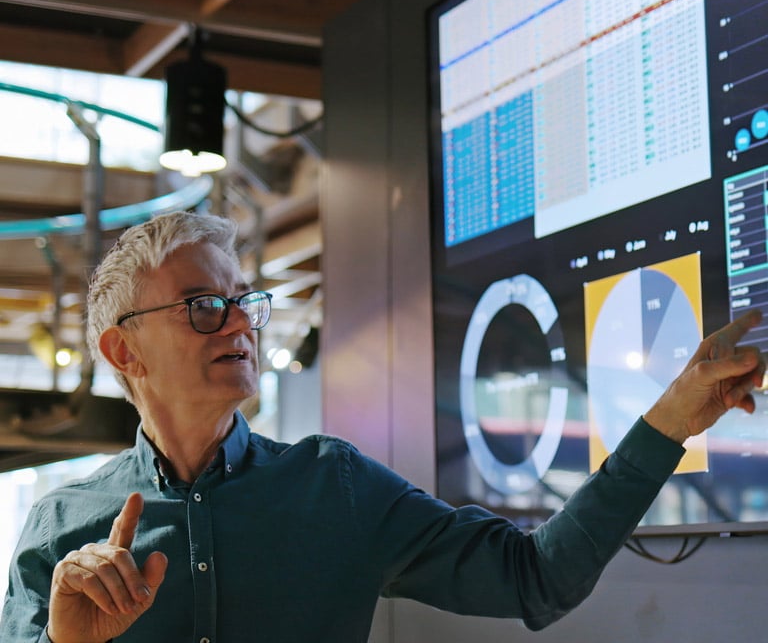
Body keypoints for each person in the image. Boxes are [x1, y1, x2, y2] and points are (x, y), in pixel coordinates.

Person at [0, 210, 764, 643]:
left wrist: (670, 421)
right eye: (204, 305)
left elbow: (539, 578)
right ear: (122, 349)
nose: (239, 323)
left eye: (244, 302)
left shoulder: (333, 486)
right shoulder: (61, 530)